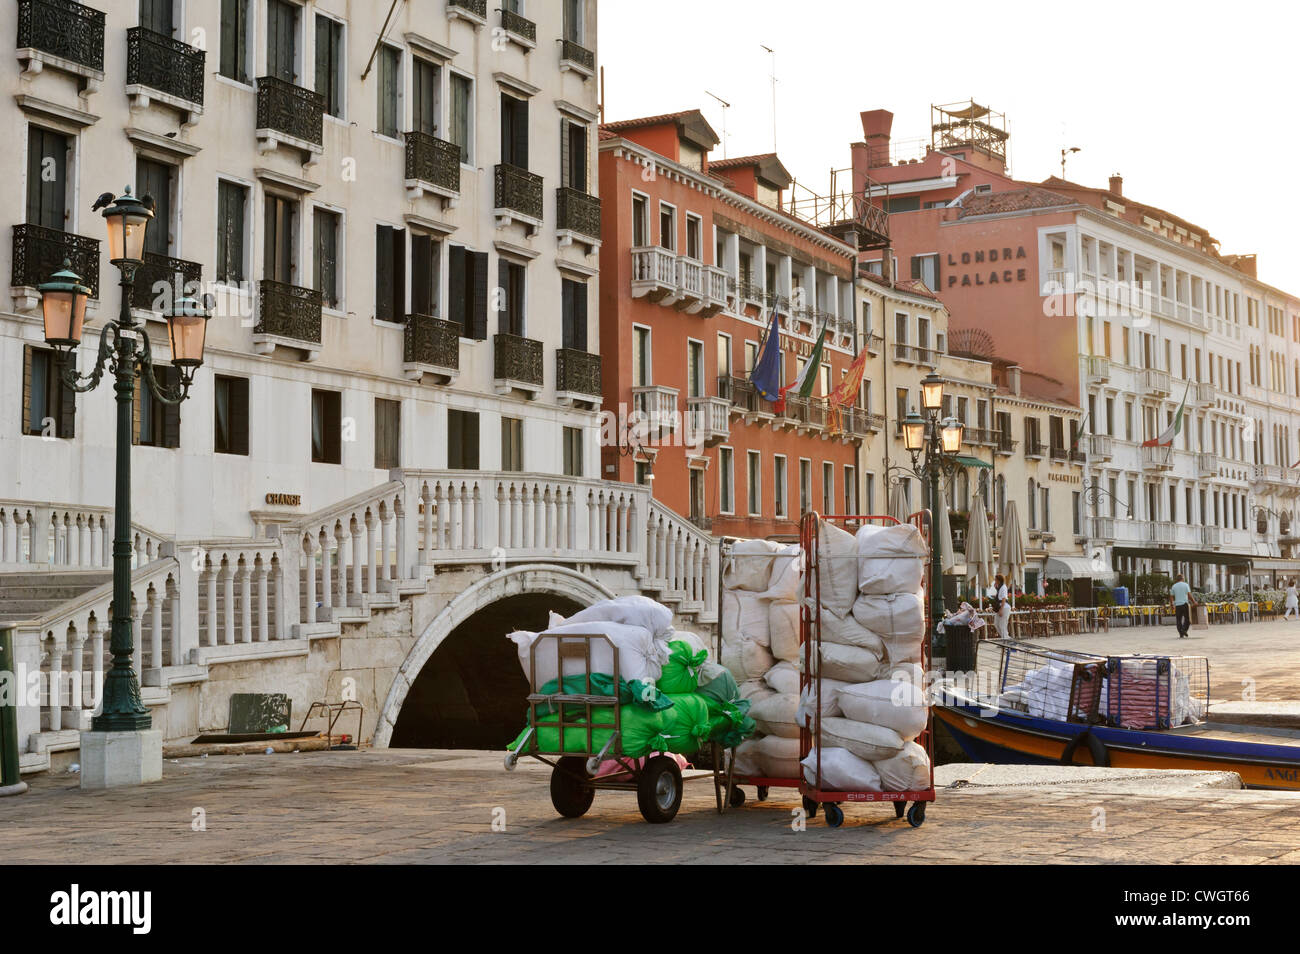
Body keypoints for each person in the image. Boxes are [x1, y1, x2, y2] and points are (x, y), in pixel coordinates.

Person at [1170, 573, 1193, 638]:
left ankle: (1181, 633)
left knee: (1178, 620)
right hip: (1184, 604)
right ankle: (1184, 630)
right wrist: (1194, 602)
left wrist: (1172, 605)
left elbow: (1171, 596)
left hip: (1177, 605)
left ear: (1177, 579)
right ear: (1182, 578)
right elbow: (1189, 595)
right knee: (1187, 619)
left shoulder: (1174, 586)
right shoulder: (1186, 585)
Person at [992, 573, 1011, 639]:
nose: (995, 581)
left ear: (998, 580)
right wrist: (996, 588)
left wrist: (1001, 609)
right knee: (996, 624)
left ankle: (1005, 641)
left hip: (1004, 607)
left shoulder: (1003, 587)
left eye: (995, 579)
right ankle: (1006, 639)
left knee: (1002, 625)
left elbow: (1004, 599)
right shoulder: (1000, 587)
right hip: (1000, 607)